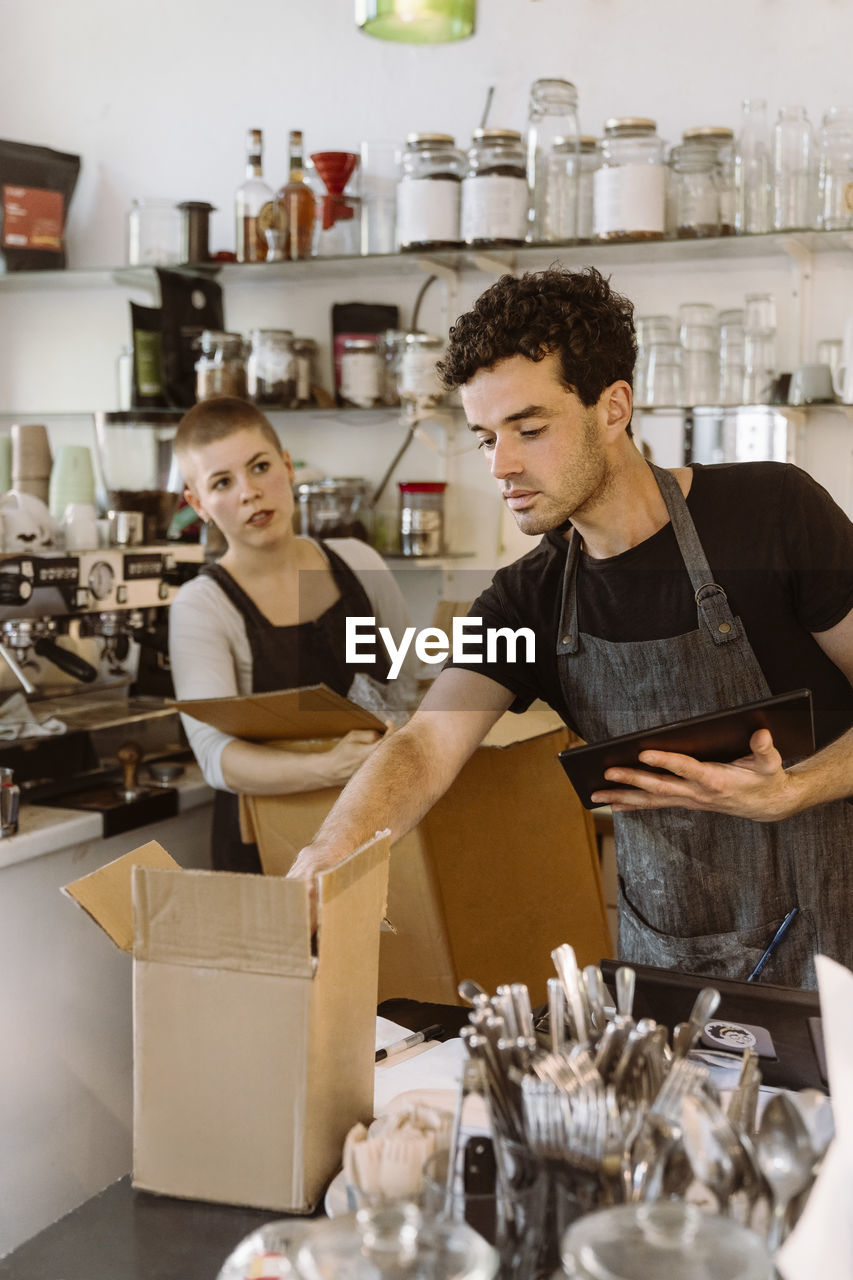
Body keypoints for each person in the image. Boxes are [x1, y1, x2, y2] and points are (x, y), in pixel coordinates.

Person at [287, 266, 853, 989]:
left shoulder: (773, 514)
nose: (502, 464)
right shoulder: (530, 597)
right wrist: (329, 852)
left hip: (836, 951)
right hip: (675, 969)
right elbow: (426, 743)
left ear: (612, 407)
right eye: (485, 437)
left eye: (529, 428)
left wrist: (795, 789)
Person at [168, 396, 415, 873]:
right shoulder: (202, 606)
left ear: (287, 466)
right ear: (198, 504)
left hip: (379, 829)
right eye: (222, 482)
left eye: (259, 467)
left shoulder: (360, 563)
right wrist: (333, 766)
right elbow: (216, 758)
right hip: (266, 848)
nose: (249, 492)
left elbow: (411, 688)